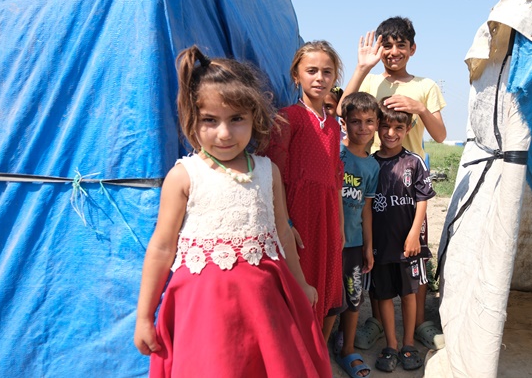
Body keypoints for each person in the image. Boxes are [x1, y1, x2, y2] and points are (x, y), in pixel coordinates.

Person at [133, 46, 331, 377]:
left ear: (255, 117)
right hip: (203, 311)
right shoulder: (184, 176)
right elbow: (162, 247)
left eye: (237, 119)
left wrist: (300, 283)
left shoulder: (268, 172)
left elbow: (282, 232)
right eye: (210, 120)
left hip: (264, 306)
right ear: (191, 119)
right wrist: (144, 316)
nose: (224, 133)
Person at [340, 16, 446, 351]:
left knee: (415, 252)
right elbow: (343, 108)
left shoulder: (425, 86)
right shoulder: (370, 82)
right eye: (387, 44)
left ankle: (417, 326)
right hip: (373, 178)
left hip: (410, 182)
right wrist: (360, 68)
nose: (394, 51)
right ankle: (375, 320)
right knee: (377, 253)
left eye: (401, 45)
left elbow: (441, 134)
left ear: (412, 49)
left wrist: (420, 108)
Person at [265, 40, 345, 342]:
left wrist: (338, 226)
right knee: (298, 289)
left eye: (327, 71)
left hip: (325, 218)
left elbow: (335, 179)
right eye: (311, 70)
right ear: (296, 76)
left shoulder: (334, 126)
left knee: (323, 289)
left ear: (334, 78)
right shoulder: (287, 118)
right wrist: (285, 223)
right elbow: (274, 177)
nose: (319, 78)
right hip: (296, 217)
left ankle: (315, 354)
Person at [369, 100, 435, 372]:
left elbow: (422, 201)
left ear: (408, 128)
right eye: (385, 126)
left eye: (398, 127)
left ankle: (408, 343)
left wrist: (414, 238)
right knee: (383, 295)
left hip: (409, 246)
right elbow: (365, 208)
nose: (391, 133)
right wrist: (368, 244)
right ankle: (391, 345)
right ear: (377, 128)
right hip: (380, 246)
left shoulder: (414, 162)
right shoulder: (370, 164)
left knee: (409, 294)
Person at [334, 92, 380, 378]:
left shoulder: (372, 166)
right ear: (345, 123)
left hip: (353, 244)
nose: (362, 128)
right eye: (355, 121)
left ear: (376, 124)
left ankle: (347, 348)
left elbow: (366, 209)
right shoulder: (335, 153)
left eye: (369, 121)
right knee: (326, 298)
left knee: (353, 297)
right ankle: (316, 345)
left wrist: (368, 246)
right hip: (328, 240)